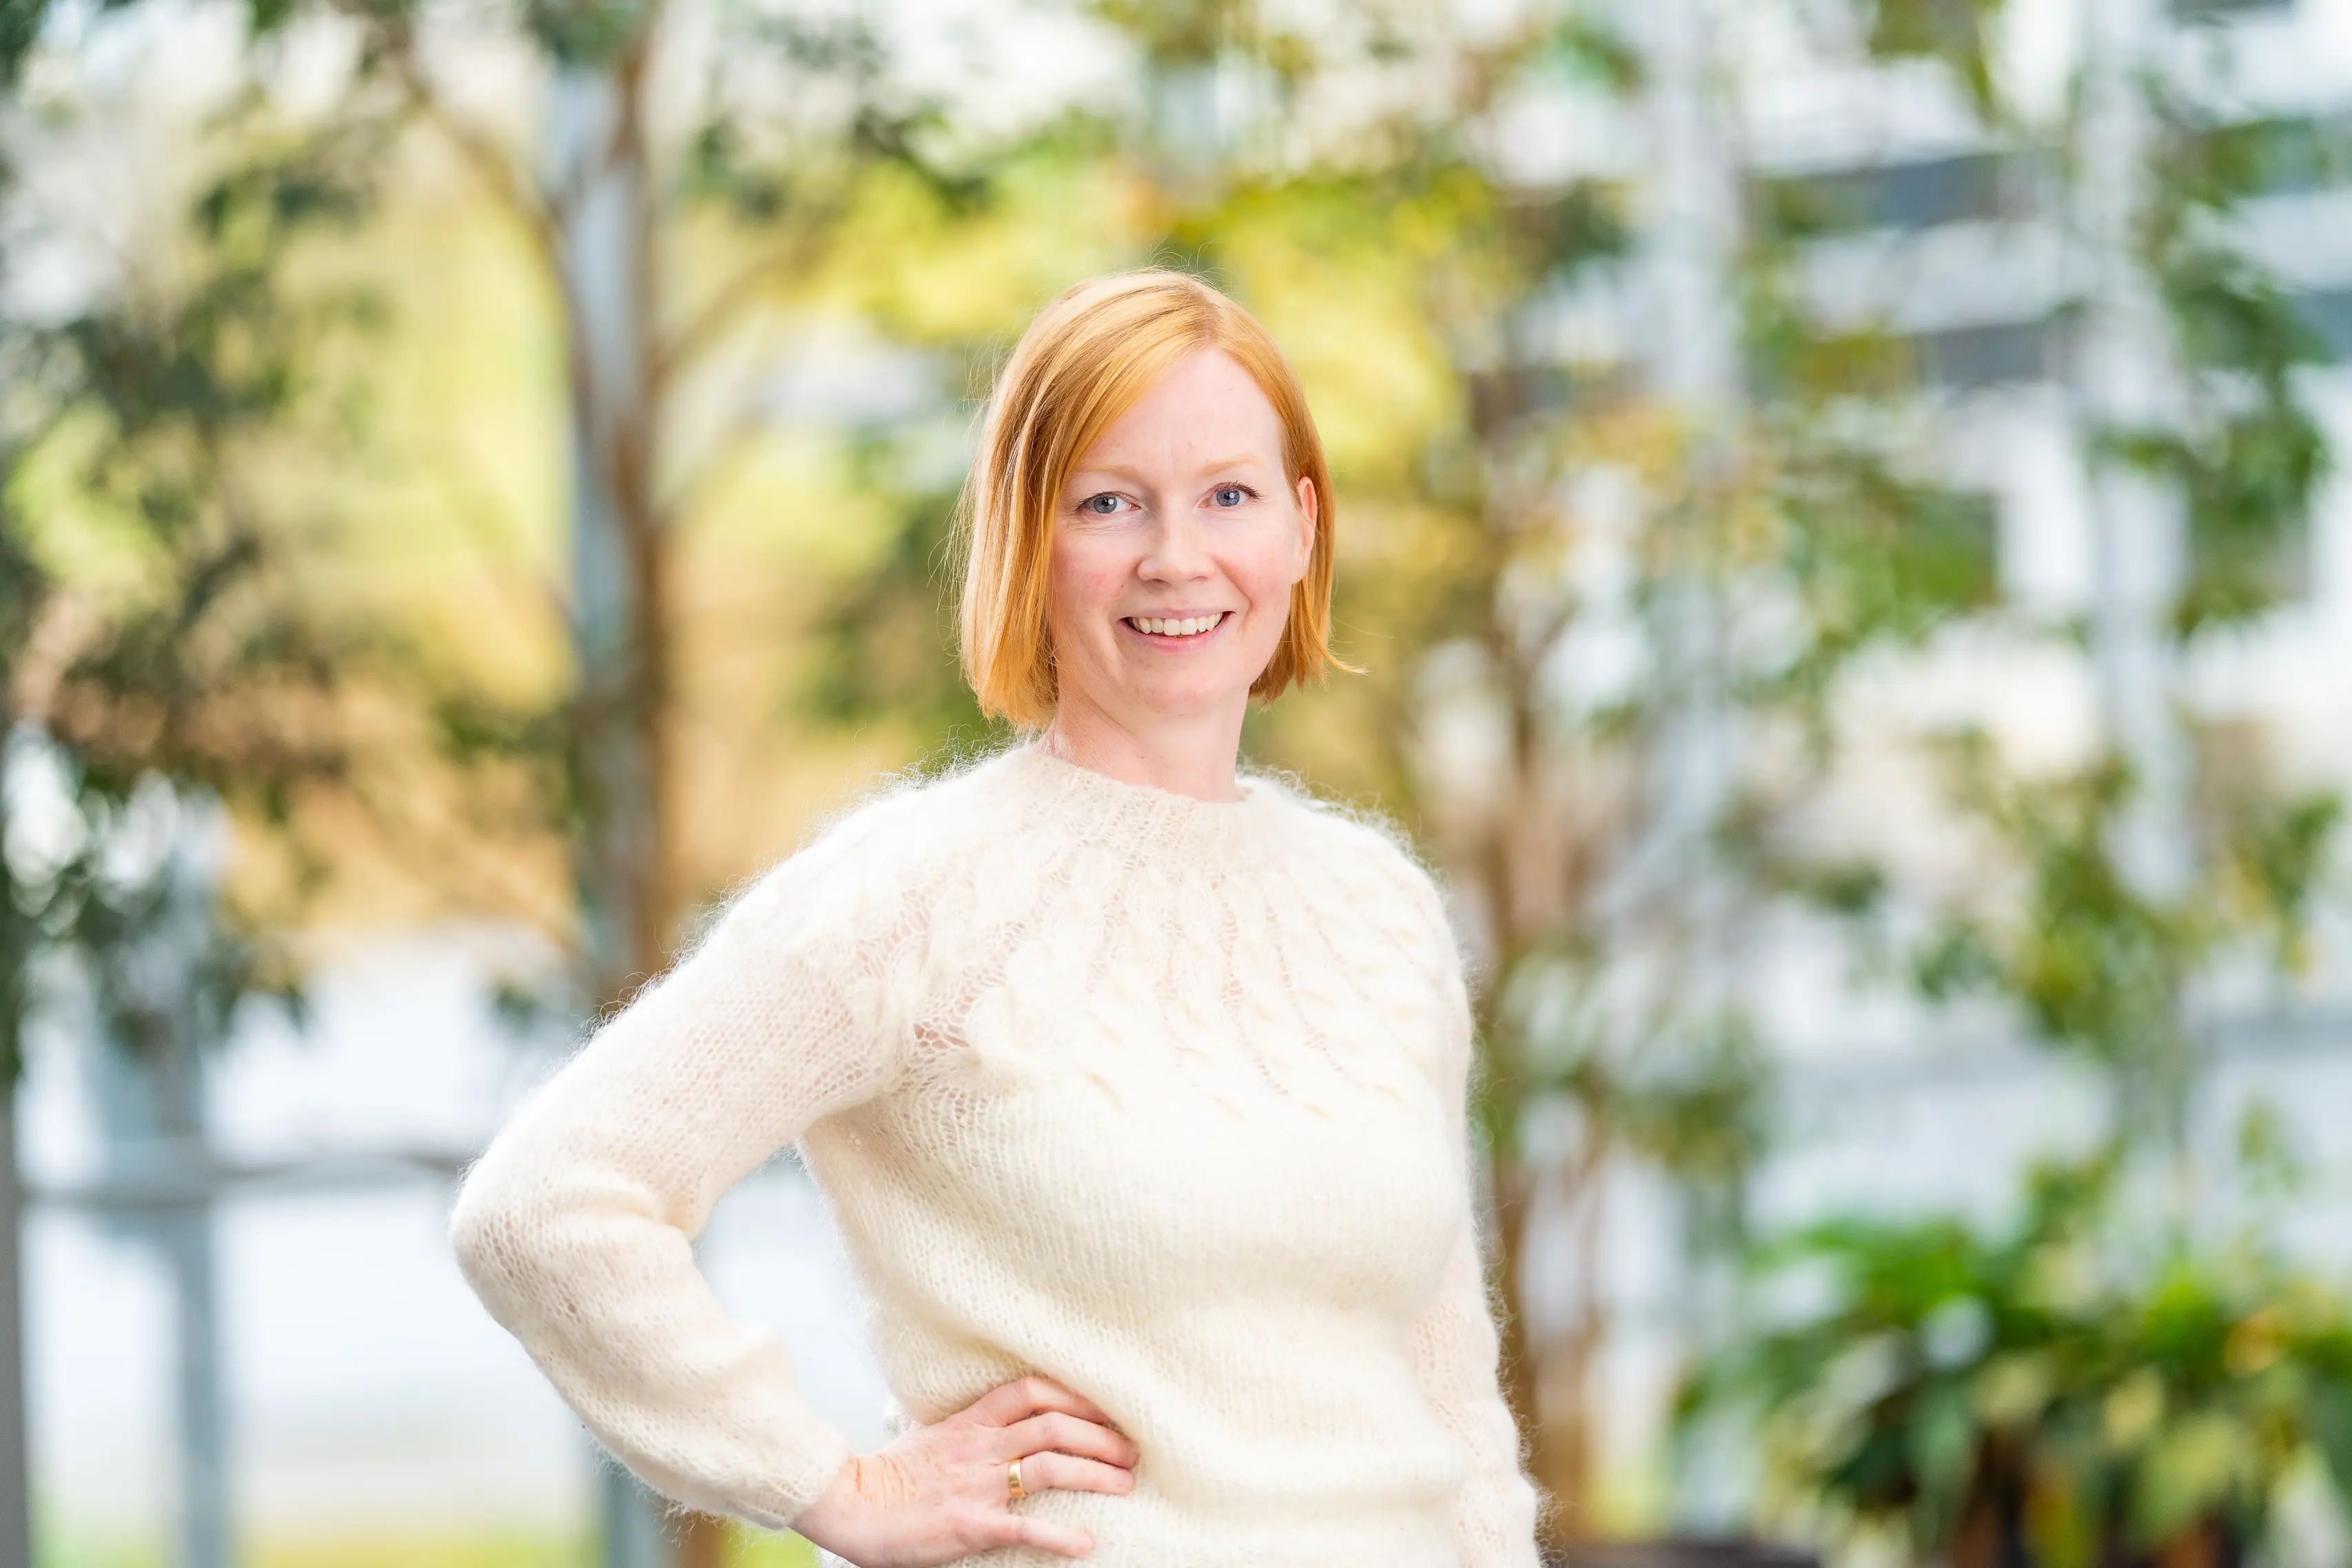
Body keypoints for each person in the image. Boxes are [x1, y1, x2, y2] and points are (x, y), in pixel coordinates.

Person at [447, 267, 1546, 1567]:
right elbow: (546, 1205)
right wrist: (835, 1484)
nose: (1176, 557)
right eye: (1109, 502)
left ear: (1303, 527)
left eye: (1229, 496)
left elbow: (1448, 1400)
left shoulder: (1379, 910)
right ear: (1031, 538)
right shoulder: (917, 897)